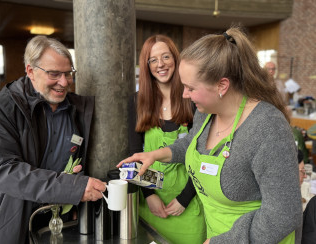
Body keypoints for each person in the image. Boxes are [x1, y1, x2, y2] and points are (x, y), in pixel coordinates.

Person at [118, 27, 302, 243]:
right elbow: (190, 145)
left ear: (222, 86)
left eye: (190, 88)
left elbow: (282, 216)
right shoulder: (207, 115)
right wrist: (155, 155)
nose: (184, 94)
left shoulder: (268, 128)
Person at [0, 36, 106, 244]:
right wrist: (72, 188)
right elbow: (3, 171)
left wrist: (73, 198)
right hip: (12, 222)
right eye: (54, 74)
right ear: (30, 71)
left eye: (68, 74)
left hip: (56, 222)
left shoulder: (77, 109)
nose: (64, 82)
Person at [128, 34, 206, 243]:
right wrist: (149, 196)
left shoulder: (192, 99)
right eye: (153, 60)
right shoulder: (137, 101)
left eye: (165, 57)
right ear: (146, 66)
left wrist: (185, 198)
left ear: (176, 60)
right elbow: (135, 154)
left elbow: (202, 153)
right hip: (151, 207)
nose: (160, 64)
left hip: (188, 204)